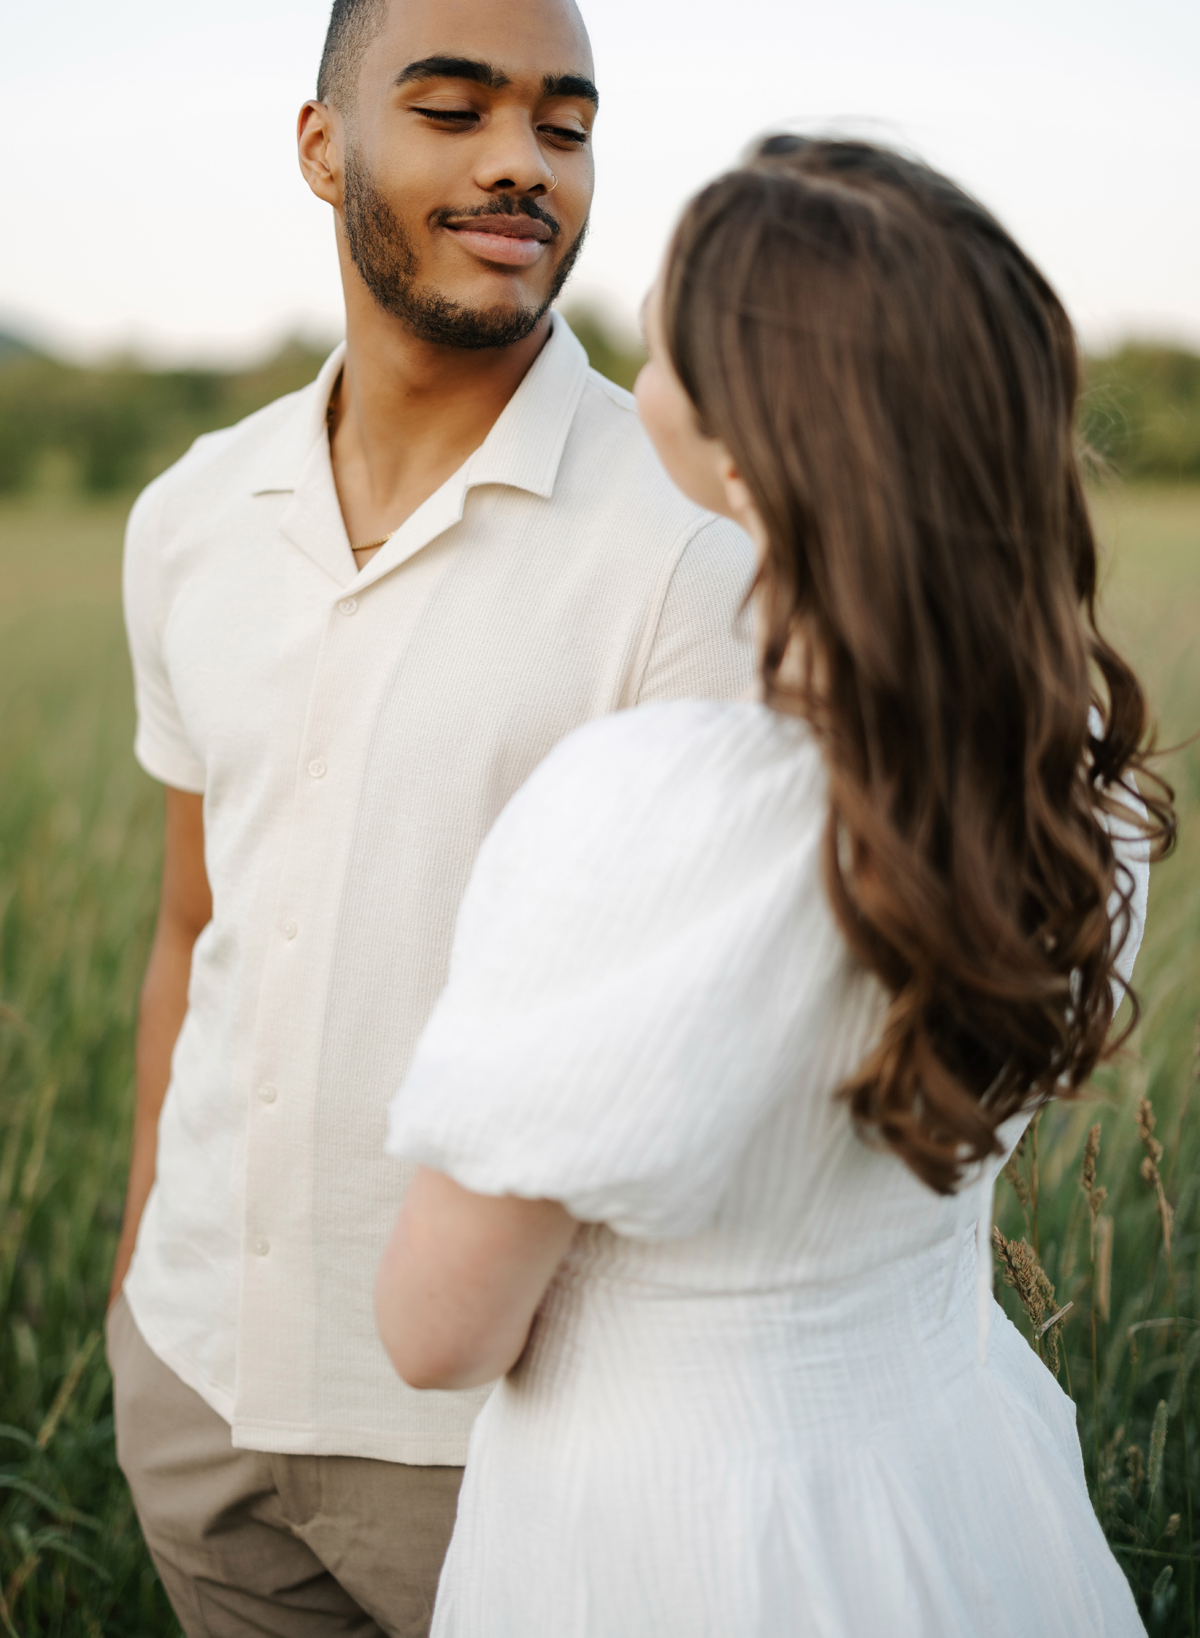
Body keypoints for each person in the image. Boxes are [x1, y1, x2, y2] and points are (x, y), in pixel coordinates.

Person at [377, 137, 1175, 1636]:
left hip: (675, 1541)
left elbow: (436, 1330)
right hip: (960, 1488)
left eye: (676, 321)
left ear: (746, 453)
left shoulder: (648, 809)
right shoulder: (1071, 769)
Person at [105, 0, 752, 1638]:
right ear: (323, 147)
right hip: (195, 1395)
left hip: (510, 1444)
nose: (520, 164)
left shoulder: (693, 549)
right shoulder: (189, 518)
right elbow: (196, 925)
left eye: (564, 120)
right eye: (453, 108)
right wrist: (134, 1294)